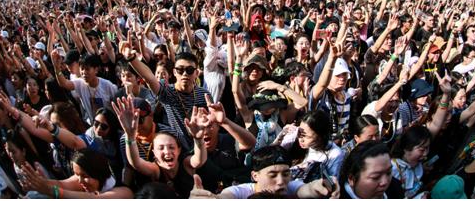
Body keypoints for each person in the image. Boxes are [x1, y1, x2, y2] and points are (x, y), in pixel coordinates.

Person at [113, 95, 209, 198]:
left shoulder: (185, 163)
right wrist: (130, 135)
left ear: (179, 149)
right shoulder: (156, 170)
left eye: (171, 147)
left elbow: (199, 160)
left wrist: (199, 139)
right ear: (154, 153)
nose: (167, 152)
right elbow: (134, 163)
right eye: (161, 148)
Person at [190, 145, 339, 199]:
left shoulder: (291, 187)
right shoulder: (239, 192)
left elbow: (306, 190)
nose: (281, 181)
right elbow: (224, 197)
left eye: (286, 174)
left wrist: (319, 187)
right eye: (272, 175)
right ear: (255, 176)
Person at [19, 148, 133, 198]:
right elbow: (62, 185)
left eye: (84, 175)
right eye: (77, 174)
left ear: (98, 172)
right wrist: (40, 182)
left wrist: (50, 191)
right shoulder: (84, 181)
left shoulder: (123, 193)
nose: (79, 181)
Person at [282, 110, 345, 181]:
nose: (301, 139)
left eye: (307, 137)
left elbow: (332, 183)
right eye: (299, 134)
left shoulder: (334, 154)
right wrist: (281, 137)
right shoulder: (293, 139)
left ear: (321, 136)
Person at [339, 140, 404, 199]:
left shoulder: (396, 189)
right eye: (376, 177)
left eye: (388, 173)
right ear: (351, 179)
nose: (385, 182)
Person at [390, 125, 432, 198]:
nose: (425, 154)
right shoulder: (392, 170)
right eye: (422, 150)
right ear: (406, 148)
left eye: (427, 148)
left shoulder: (418, 164)